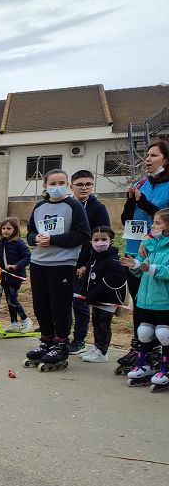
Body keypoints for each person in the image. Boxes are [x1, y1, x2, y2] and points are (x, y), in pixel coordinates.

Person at [24, 169, 90, 369]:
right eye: (52, 183)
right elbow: (29, 232)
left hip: (62, 264)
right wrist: (34, 239)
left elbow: (82, 234)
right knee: (41, 304)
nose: (56, 186)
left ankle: (61, 342)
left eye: (61, 182)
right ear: (45, 186)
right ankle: (46, 340)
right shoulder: (39, 206)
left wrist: (53, 240)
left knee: (59, 304)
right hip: (38, 263)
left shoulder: (74, 206)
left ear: (68, 185)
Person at [121, 141, 169, 336]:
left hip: (158, 253)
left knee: (157, 305)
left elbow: (164, 218)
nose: (148, 159)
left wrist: (145, 202)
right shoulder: (142, 183)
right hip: (134, 249)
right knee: (138, 301)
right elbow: (126, 220)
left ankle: (158, 348)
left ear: (166, 159)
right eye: (147, 155)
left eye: (154, 155)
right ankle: (139, 346)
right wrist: (131, 201)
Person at [120, 207, 169, 387]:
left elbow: (165, 271)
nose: (153, 226)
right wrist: (135, 266)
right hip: (146, 300)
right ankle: (145, 365)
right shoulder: (151, 246)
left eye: (157, 223)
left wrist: (150, 268)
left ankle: (166, 367)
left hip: (164, 301)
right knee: (144, 333)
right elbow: (144, 273)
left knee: (164, 334)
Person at [67, 170, 110, 354]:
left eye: (88, 184)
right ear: (71, 186)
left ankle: (79, 340)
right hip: (66, 260)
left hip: (85, 263)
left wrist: (88, 264)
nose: (84, 188)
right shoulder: (67, 205)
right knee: (63, 301)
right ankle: (62, 335)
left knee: (80, 303)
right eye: (80, 184)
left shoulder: (98, 208)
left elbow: (103, 238)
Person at [76, 226, 127, 363]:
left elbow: (110, 282)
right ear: (91, 241)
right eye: (96, 239)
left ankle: (103, 352)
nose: (100, 242)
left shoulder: (113, 261)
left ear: (111, 241)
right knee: (96, 321)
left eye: (104, 239)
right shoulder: (94, 258)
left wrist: (92, 295)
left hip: (108, 298)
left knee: (103, 324)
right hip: (97, 298)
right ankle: (97, 347)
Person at [0, 217, 33, 332]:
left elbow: (28, 257)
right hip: (5, 277)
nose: (5, 231)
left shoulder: (19, 244)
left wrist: (16, 266)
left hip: (15, 277)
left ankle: (26, 320)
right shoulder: (1, 243)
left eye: (9, 228)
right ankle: (14, 324)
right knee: (9, 300)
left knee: (12, 299)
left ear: (15, 230)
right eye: (3, 228)